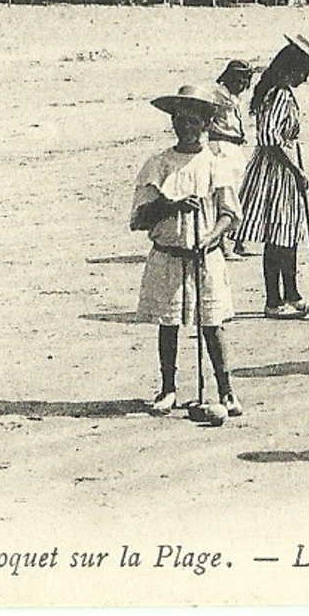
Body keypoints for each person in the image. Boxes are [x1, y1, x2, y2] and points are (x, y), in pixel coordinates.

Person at [131, 84, 243, 417]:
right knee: (168, 325)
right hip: (168, 256)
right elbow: (139, 218)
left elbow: (230, 213)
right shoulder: (158, 164)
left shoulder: (214, 164)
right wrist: (168, 205)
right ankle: (167, 389)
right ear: (173, 122)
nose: (187, 128)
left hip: (205, 258)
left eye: (195, 121)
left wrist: (213, 236)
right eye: (181, 120)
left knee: (211, 325)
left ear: (208, 124)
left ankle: (226, 391)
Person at [238, 34, 309, 318]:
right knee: (277, 236)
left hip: (280, 168)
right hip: (276, 170)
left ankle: (293, 294)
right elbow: (269, 138)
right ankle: (273, 301)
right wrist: (296, 170)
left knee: (287, 234)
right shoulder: (279, 94)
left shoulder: (277, 91)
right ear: (291, 69)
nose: (306, 79)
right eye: (304, 73)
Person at [208, 59, 255, 258]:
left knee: (240, 193)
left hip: (235, 147)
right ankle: (223, 244)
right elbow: (208, 122)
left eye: (245, 80)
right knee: (226, 194)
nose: (243, 84)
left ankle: (238, 241)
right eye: (239, 79)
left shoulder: (235, 97)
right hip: (221, 147)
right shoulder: (217, 95)